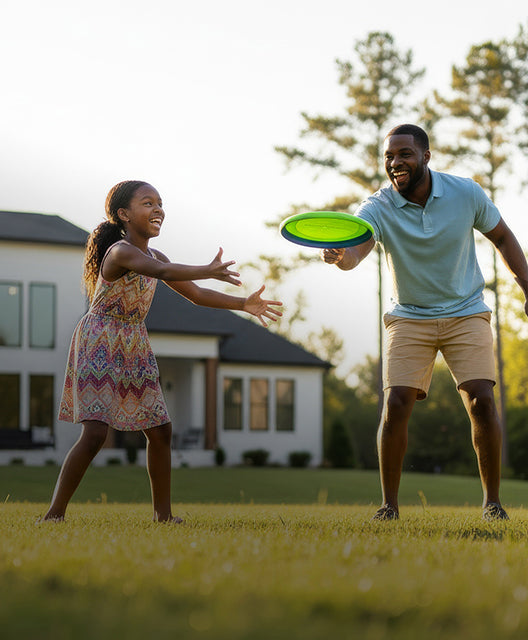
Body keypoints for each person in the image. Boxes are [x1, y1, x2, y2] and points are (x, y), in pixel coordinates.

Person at [42, 180, 282, 523]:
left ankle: (163, 516)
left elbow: (196, 295)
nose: (158, 210)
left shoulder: (156, 255)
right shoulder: (120, 252)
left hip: (134, 341)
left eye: (160, 203)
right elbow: (162, 272)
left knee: (160, 430)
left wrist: (244, 303)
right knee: (95, 432)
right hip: (101, 338)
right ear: (124, 214)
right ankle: (54, 514)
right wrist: (208, 268)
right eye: (147, 203)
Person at [323, 124, 528, 522]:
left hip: (466, 310)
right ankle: (389, 506)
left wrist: (526, 285)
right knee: (395, 404)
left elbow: (503, 236)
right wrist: (339, 257)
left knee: (482, 401)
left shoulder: (465, 193)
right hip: (409, 316)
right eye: (389, 157)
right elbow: (354, 254)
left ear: (426, 157)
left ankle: (492, 503)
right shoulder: (376, 207)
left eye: (404, 154)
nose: (395, 163)